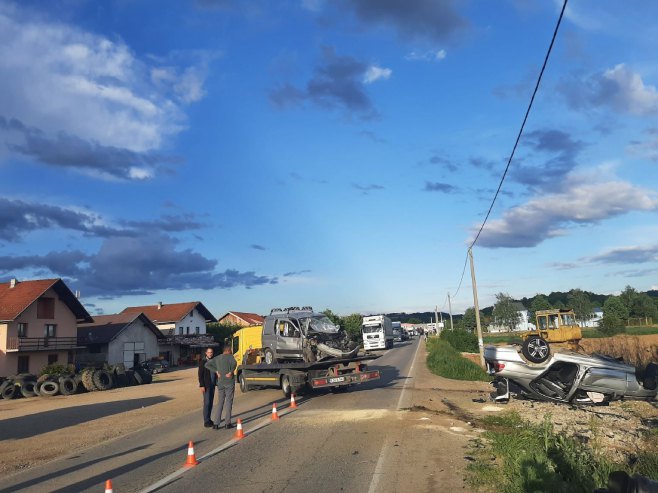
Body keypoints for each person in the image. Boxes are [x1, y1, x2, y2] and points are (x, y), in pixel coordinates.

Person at [206, 345, 237, 429]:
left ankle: (216, 423)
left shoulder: (217, 358)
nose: (231, 351)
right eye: (231, 350)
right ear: (228, 350)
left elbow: (207, 364)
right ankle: (227, 423)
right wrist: (231, 372)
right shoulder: (230, 357)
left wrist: (216, 371)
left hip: (220, 383)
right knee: (228, 402)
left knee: (220, 403)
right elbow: (234, 363)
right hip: (229, 382)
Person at [198, 347, 216, 428]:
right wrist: (202, 385)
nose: (210, 354)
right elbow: (200, 375)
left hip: (212, 385)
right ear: (206, 353)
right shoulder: (203, 362)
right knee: (207, 403)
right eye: (209, 352)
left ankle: (209, 419)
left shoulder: (214, 362)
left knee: (211, 403)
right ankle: (206, 421)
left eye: (211, 352)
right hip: (206, 386)